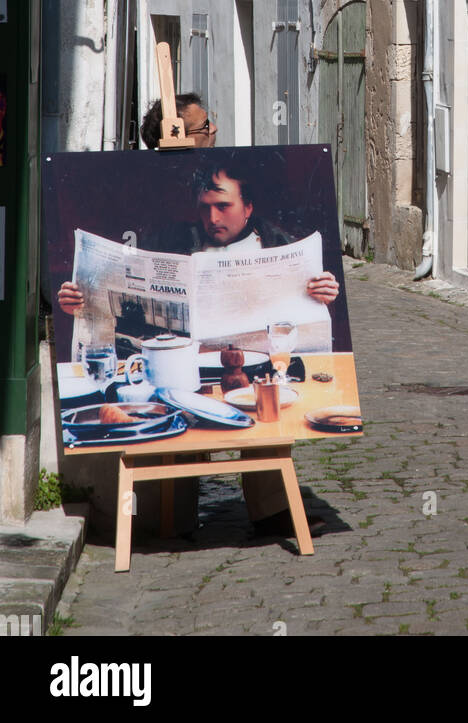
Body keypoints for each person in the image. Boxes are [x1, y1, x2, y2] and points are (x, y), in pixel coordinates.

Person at [58, 149, 338, 538]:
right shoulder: (174, 240)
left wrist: (323, 292)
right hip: (179, 369)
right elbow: (120, 302)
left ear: (248, 206)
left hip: (252, 369)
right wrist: (79, 298)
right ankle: (165, 516)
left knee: (264, 415)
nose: (213, 218)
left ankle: (273, 508)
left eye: (224, 206)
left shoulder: (277, 243)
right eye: (205, 207)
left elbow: (305, 315)